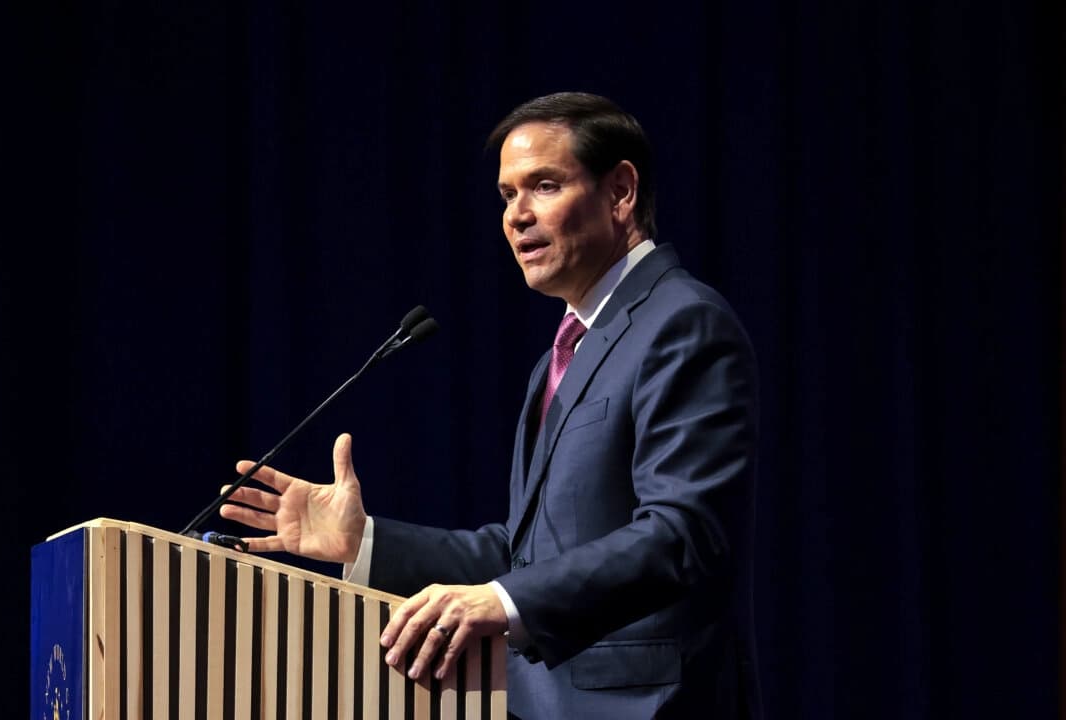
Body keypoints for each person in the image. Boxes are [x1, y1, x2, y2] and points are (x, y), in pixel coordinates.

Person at [221, 91, 761, 719]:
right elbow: (526, 554)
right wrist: (363, 541)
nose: (517, 217)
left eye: (544, 186)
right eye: (507, 196)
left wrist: (502, 602)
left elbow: (684, 534)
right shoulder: (562, 355)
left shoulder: (683, 323)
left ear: (620, 192)